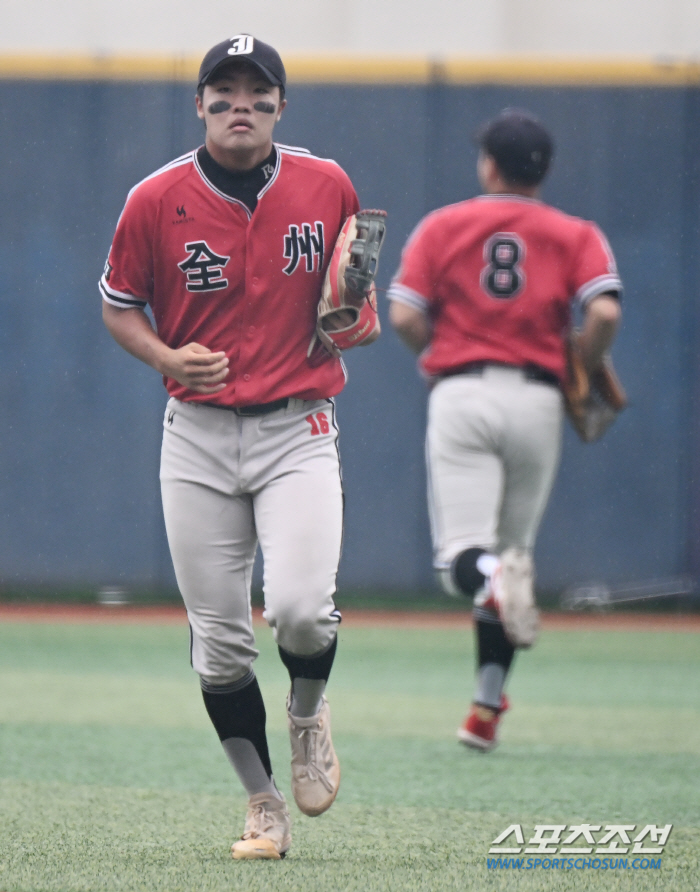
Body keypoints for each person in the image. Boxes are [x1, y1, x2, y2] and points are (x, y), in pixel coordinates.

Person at [101, 34, 380, 860]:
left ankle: (305, 716)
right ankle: (262, 804)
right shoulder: (154, 199)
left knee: (298, 607)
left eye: (258, 92)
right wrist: (162, 354)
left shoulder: (326, 184)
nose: (240, 106)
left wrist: (352, 324)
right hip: (197, 433)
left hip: (298, 424)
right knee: (221, 644)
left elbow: (355, 305)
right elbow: (120, 304)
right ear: (199, 104)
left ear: (280, 106)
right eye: (223, 92)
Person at [388, 108, 621, 752]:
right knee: (512, 558)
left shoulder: (445, 225)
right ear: (542, 170)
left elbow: (404, 313)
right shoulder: (576, 234)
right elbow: (602, 309)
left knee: (464, 562)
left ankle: (490, 582)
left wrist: (441, 350)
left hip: (462, 390)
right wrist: (585, 360)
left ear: (489, 164)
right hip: (539, 400)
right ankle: (485, 711)